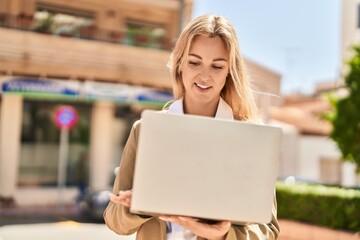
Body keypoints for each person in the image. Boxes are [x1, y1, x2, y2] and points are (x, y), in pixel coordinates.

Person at [103, 14, 280, 240]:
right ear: (180, 64)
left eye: (217, 66)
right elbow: (115, 221)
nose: (204, 75)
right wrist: (143, 204)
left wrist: (223, 236)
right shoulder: (145, 130)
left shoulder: (252, 139)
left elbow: (268, 231)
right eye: (194, 62)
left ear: (229, 72)